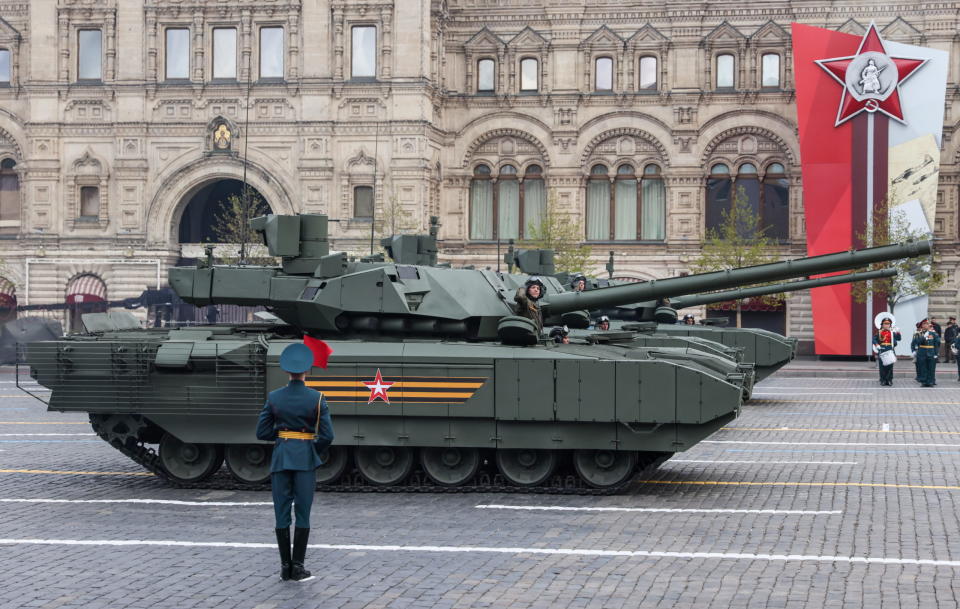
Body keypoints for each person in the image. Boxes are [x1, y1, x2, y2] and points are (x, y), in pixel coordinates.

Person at [256, 343, 334, 582]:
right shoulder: (317, 398)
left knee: (281, 514)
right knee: (303, 513)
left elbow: (262, 432)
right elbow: (328, 436)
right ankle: (298, 566)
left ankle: (284, 567)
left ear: (287, 371)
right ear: (306, 371)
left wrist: (283, 439)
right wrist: (310, 448)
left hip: (281, 458)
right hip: (305, 459)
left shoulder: (274, 397)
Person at [911, 319, 940, 387]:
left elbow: (937, 344)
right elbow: (917, 342)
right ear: (921, 326)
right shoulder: (918, 334)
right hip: (922, 352)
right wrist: (923, 337)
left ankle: (930, 382)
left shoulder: (933, 333)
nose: (925, 325)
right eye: (924, 324)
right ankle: (924, 382)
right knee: (923, 368)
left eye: (927, 324)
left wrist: (936, 353)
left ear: (929, 325)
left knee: (931, 368)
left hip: (931, 351)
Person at [872, 317, 901, 387]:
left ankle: (889, 380)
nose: (887, 325)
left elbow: (899, 339)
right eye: (885, 324)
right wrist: (876, 345)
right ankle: (883, 380)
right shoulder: (879, 332)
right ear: (882, 325)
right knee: (882, 366)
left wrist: (898, 332)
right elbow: (874, 339)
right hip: (882, 349)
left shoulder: (892, 332)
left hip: (890, 349)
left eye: (888, 324)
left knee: (890, 366)